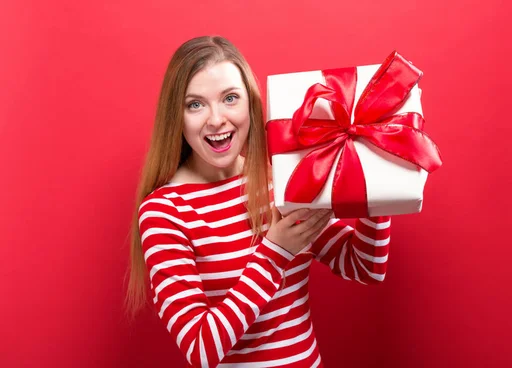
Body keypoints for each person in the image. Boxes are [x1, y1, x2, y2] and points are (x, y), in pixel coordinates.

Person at [125, 35, 391, 368]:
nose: (216, 119)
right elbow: (200, 348)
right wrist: (276, 251)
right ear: (175, 117)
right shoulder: (164, 211)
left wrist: (379, 183)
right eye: (195, 104)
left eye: (230, 98)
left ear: (251, 103)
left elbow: (365, 266)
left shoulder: (280, 180)